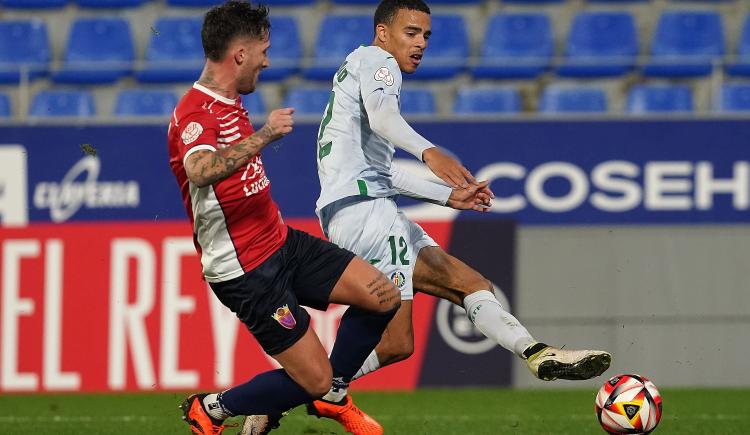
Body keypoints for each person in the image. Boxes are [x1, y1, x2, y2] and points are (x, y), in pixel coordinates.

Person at [306, 0, 613, 433]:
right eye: (411, 32)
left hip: (364, 205)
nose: (420, 44)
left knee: (445, 306)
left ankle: (535, 352)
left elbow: (382, 169)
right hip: (367, 214)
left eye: (426, 36)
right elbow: (384, 117)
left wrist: (449, 197)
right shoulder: (377, 61)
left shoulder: (356, 73)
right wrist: (428, 150)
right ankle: (295, 392)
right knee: (393, 340)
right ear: (382, 33)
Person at [167, 2, 401, 434]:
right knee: (311, 378)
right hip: (246, 269)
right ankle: (214, 407)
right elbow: (200, 171)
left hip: (282, 242)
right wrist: (265, 135)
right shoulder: (195, 113)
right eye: (263, 50)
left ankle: (331, 395)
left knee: (383, 295)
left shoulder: (230, 100)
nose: (267, 60)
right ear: (240, 54)